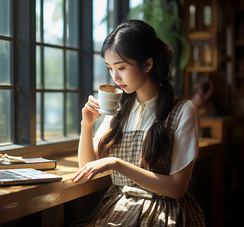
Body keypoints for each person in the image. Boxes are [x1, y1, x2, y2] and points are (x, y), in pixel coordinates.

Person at [70, 20, 206, 226]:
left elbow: (177, 189)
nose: (115, 77)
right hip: (118, 207)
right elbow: (86, 168)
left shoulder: (183, 110)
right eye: (110, 68)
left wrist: (116, 163)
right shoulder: (118, 109)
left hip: (162, 211)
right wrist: (86, 125)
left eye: (121, 67)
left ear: (148, 64)